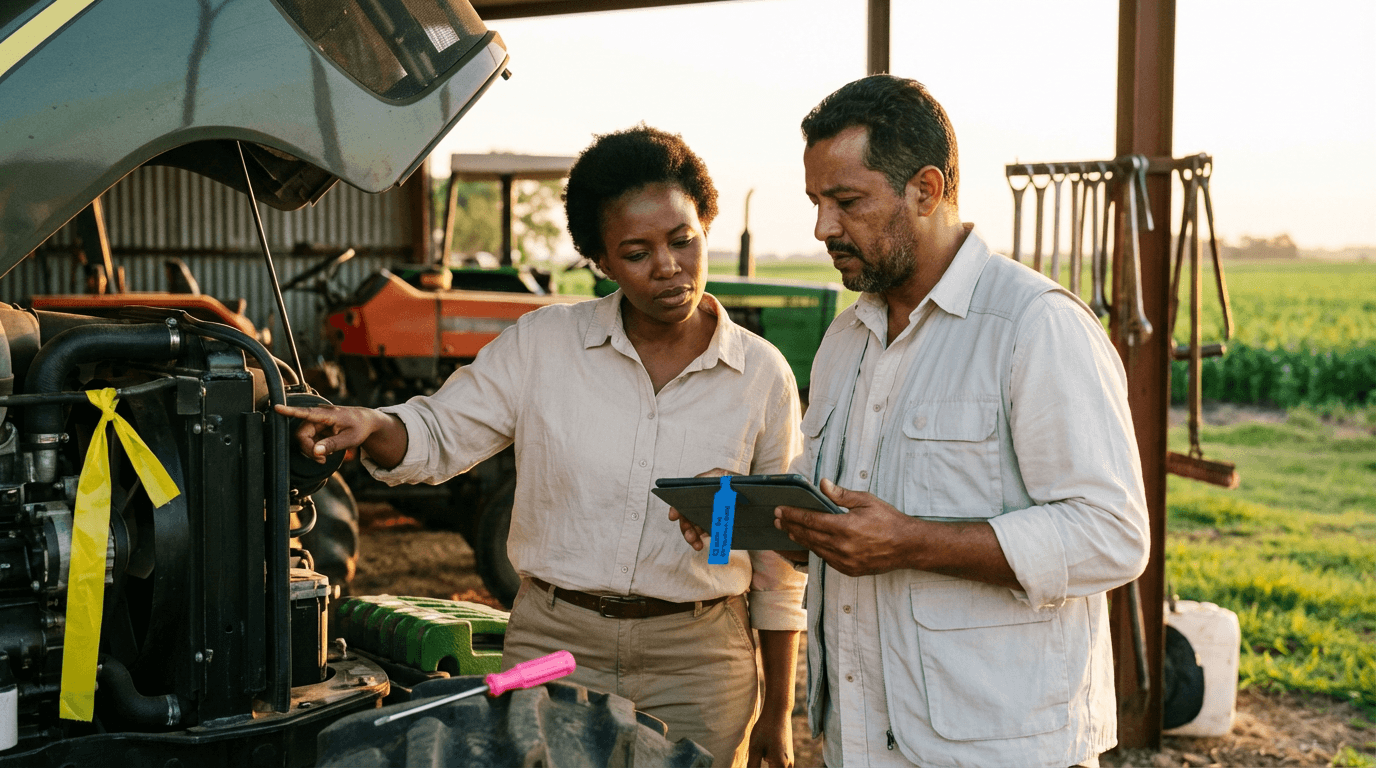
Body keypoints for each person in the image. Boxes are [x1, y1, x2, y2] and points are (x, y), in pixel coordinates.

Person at [277, 125, 805, 768]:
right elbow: (442, 431)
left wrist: (777, 715)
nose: (668, 266)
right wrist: (377, 426)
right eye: (636, 252)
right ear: (601, 261)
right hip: (558, 644)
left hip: (699, 661)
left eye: (683, 239)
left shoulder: (761, 374)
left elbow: (778, 568)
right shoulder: (543, 344)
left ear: (705, 226)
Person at [684, 75, 1150, 767]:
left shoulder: (1034, 326)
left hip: (1000, 746)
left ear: (927, 190)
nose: (823, 229)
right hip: (863, 737)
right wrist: (748, 510)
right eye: (816, 202)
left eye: (846, 201)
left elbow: (1112, 536)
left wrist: (911, 541)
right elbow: (838, 529)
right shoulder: (848, 340)